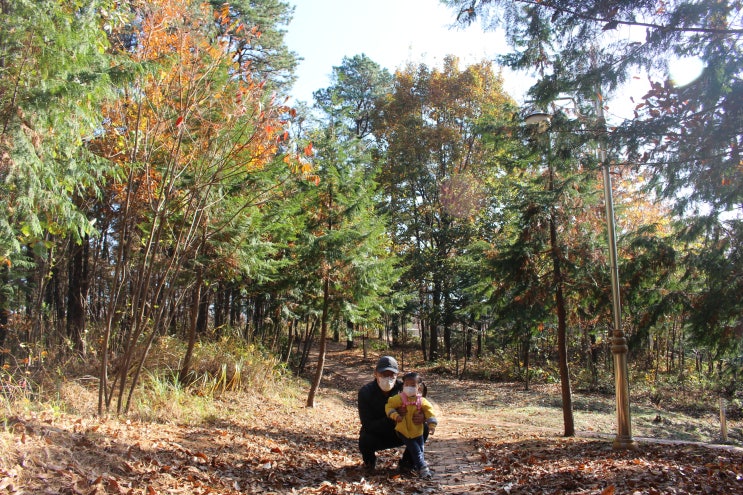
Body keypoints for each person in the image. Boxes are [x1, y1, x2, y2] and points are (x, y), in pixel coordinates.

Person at [357, 356, 429, 473]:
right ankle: (370, 462)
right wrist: (392, 416)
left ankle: (407, 463)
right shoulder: (366, 392)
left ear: (397, 375)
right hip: (377, 434)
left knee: (423, 429)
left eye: (392, 375)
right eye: (384, 374)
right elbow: (367, 424)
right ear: (376, 374)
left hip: (402, 433)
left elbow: (423, 405)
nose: (388, 378)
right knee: (365, 439)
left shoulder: (405, 388)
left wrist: (423, 417)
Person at [385, 372, 437, 478]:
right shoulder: (399, 398)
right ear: (403, 385)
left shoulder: (421, 401)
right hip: (404, 430)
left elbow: (429, 412)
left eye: (413, 385)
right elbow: (389, 406)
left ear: (419, 387)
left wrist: (431, 425)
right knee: (416, 450)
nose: (409, 387)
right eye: (406, 385)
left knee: (420, 449)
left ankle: (415, 467)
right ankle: (423, 469)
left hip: (417, 431)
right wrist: (395, 415)